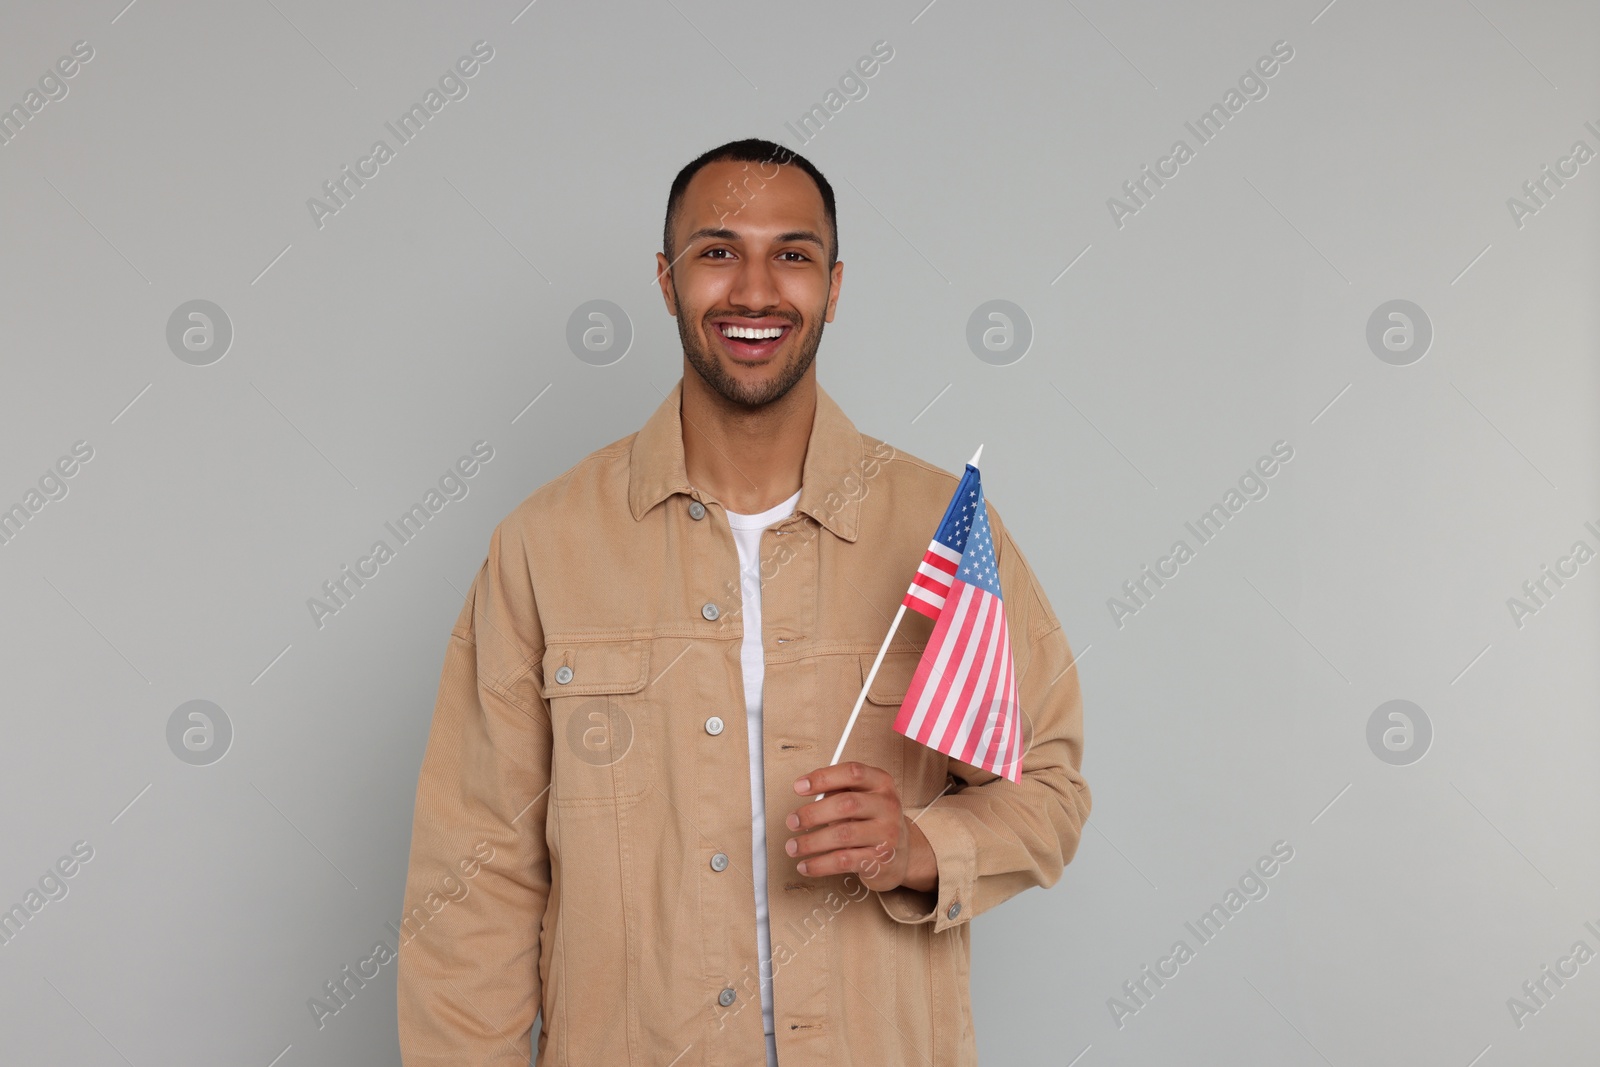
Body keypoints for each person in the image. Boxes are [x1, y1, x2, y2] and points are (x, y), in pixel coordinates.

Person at [397, 137, 1091, 1066]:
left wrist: (916, 847)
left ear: (835, 287)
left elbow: (1048, 788)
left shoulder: (943, 529)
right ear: (666, 277)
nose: (756, 290)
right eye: (718, 251)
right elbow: (472, 887)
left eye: (792, 255)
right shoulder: (544, 547)